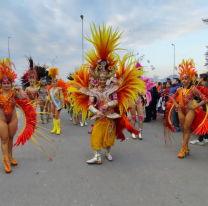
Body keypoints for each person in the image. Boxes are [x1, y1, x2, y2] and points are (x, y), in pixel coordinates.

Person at [69, 23, 145, 164]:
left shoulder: (112, 89)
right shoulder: (94, 90)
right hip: (99, 117)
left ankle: (108, 152)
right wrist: (95, 111)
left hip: (110, 116)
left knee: (109, 137)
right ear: (98, 79)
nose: (102, 81)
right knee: (96, 136)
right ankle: (97, 156)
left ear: (107, 79)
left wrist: (109, 104)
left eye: (104, 79)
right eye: (101, 79)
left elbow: (116, 100)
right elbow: (89, 103)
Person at [165, 59, 208, 158]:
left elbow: (205, 99)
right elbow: (172, 98)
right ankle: (187, 147)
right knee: (184, 129)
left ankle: (183, 149)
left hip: (190, 111)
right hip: (181, 111)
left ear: (190, 79)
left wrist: (195, 106)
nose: (184, 81)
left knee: (186, 129)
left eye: (186, 79)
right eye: (183, 79)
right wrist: (176, 104)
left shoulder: (193, 89)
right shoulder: (179, 89)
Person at [0, 58, 36, 173]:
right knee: (4, 139)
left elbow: (24, 97)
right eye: (4, 83)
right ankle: (5, 159)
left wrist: (19, 90)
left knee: (10, 137)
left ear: (11, 83)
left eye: (8, 83)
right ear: (1, 84)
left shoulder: (14, 93)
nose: (6, 85)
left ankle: (10, 156)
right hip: (1, 119)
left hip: (13, 118)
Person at [190, 73, 208, 145]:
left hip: (206, 106)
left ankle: (200, 140)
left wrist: (196, 105)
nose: (197, 79)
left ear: (202, 78)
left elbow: (206, 99)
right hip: (205, 106)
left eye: (198, 78)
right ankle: (205, 138)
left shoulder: (206, 87)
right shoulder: (203, 86)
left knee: (203, 121)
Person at [45, 68, 64, 135]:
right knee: (53, 116)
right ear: (51, 83)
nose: (54, 83)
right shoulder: (50, 90)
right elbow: (48, 98)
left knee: (56, 116)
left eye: (55, 82)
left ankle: (58, 129)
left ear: (57, 82)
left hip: (58, 104)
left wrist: (62, 104)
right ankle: (54, 128)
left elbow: (62, 97)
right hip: (52, 104)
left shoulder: (59, 89)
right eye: (53, 82)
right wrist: (46, 105)